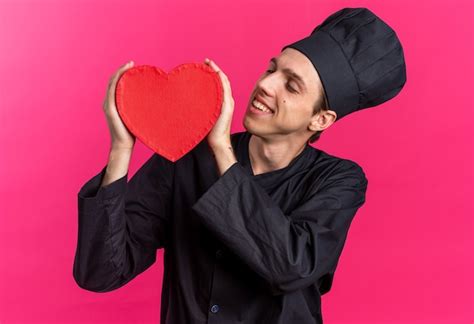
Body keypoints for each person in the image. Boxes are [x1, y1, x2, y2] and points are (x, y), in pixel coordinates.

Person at [73, 7, 406, 324]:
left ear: (320, 119)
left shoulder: (338, 181)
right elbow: (101, 272)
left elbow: (290, 264)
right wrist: (121, 149)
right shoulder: (188, 156)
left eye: (290, 85)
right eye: (272, 68)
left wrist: (220, 147)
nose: (265, 84)